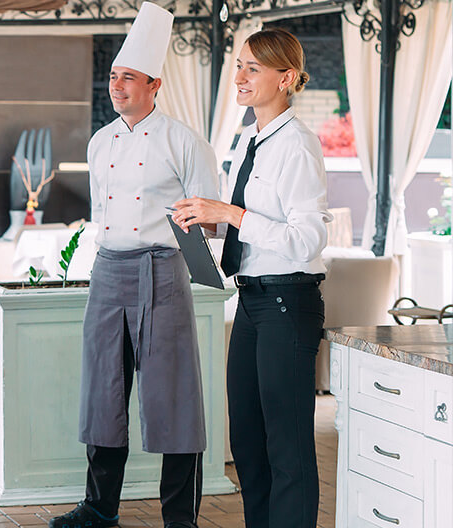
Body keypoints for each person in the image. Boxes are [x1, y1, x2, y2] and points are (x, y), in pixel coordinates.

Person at [51, 5, 220, 528]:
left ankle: (180, 519)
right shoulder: (100, 141)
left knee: (175, 398)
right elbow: (101, 214)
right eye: (112, 76)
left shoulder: (185, 141)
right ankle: (99, 509)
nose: (117, 86)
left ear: (154, 85)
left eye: (128, 77)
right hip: (107, 271)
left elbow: (211, 219)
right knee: (102, 392)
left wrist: (197, 225)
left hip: (163, 271)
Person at [171, 27, 329, 528]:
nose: (238, 76)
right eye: (238, 65)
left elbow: (307, 240)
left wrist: (231, 214)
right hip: (253, 303)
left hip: (289, 304)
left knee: (287, 445)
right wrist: (208, 221)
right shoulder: (249, 140)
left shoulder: (297, 145)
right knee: (247, 441)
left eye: (252, 68)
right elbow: (252, 225)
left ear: (285, 78)